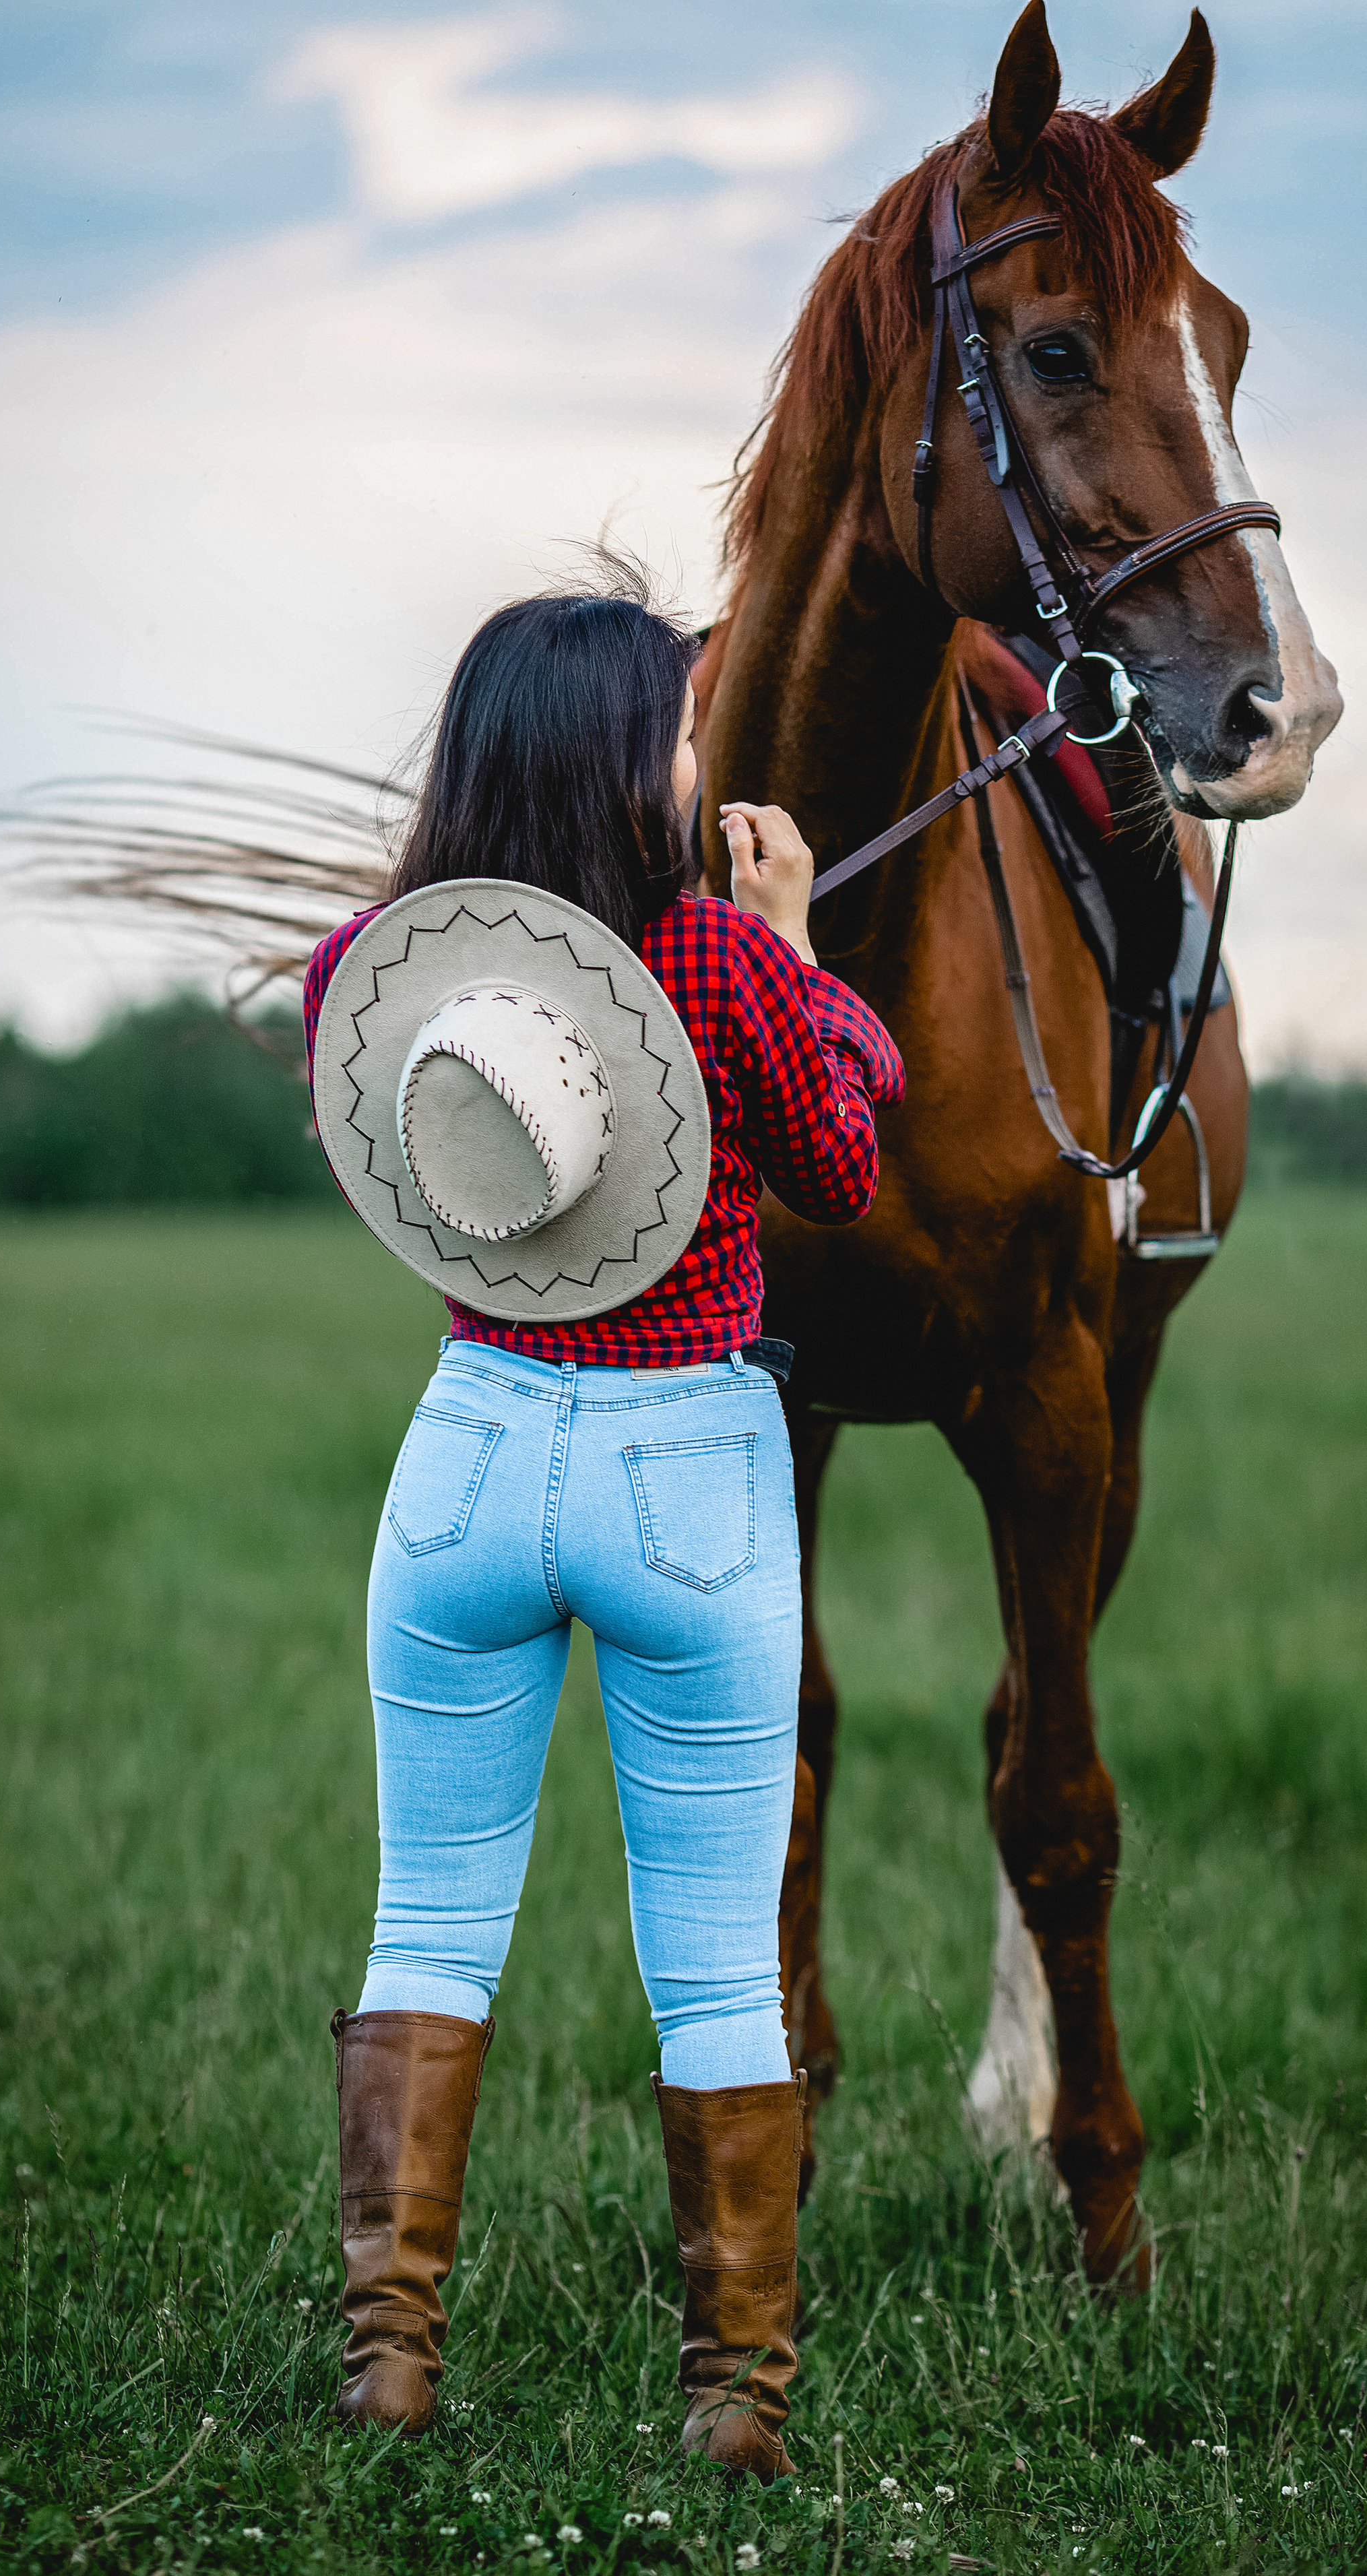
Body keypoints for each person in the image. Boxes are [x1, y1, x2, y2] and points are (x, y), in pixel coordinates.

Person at [302, 564, 903, 2478]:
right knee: (716, 1963)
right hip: (686, 1479)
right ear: (631, 757)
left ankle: (391, 2360)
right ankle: (737, 2398)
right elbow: (845, 1151)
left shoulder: (385, 969)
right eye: (676, 717)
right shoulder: (716, 964)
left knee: (431, 1925)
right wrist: (800, 948)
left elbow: (364, 1070)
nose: (696, 743)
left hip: (470, 1451)